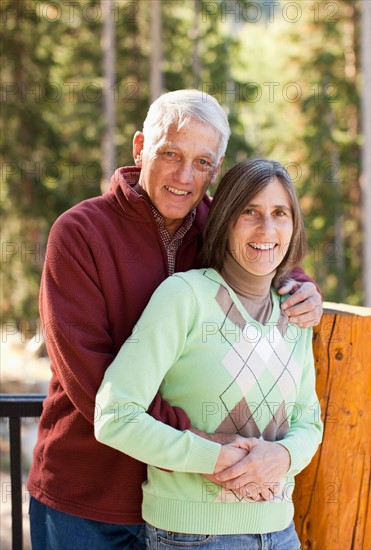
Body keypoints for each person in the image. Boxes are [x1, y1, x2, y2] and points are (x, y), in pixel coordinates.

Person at [28, 90, 323, 550]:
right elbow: (90, 378)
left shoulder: (216, 225)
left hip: (186, 501)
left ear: (215, 168)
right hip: (90, 495)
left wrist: (302, 285)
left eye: (202, 162)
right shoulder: (80, 233)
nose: (185, 177)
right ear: (140, 146)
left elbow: (265, 248)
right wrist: (204, 444)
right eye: (170, 154)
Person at [95, 158, 323, 550]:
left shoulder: (294, 311)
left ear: (293, 225)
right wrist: (210, 457)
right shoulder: (184, 297)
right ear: (224, 221)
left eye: (279, 213)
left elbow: (310, 421)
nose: (266, 228)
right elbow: (115, 416)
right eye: (249, 212)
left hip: (281, 532)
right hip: (192, 536)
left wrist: (282, 457)